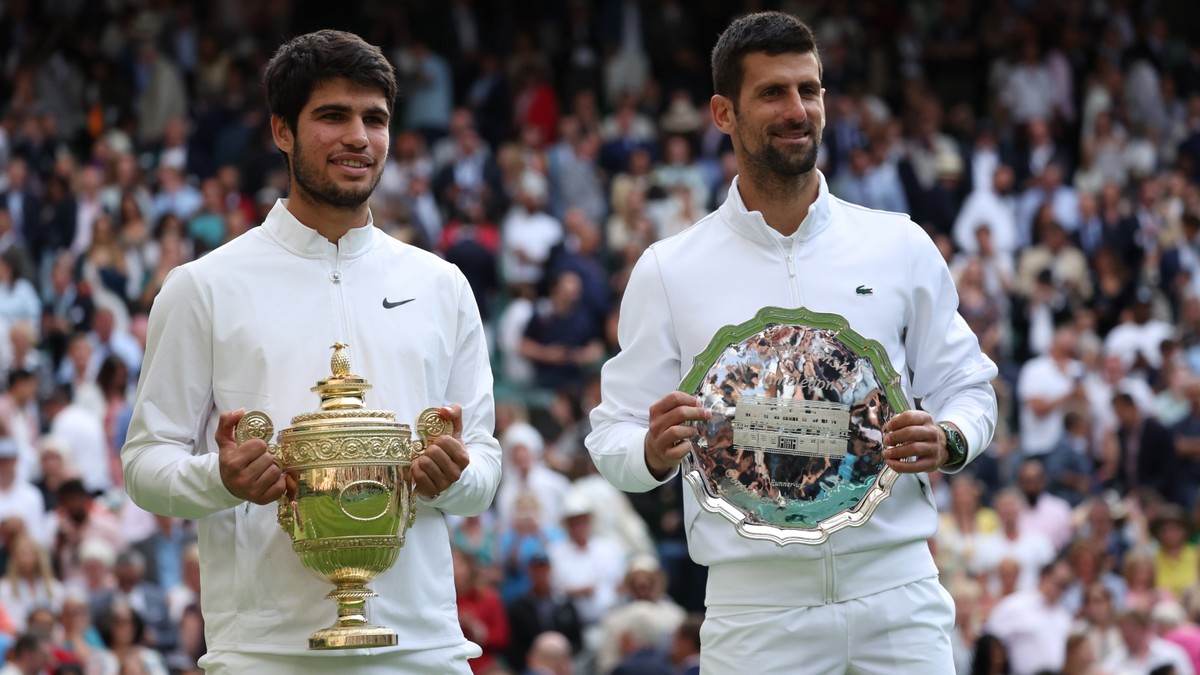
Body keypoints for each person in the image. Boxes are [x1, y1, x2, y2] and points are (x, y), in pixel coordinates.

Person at [586, 12, 998, 673]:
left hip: (897, 594)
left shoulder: (899, 243)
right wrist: (651, 449)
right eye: (772, 93)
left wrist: (949, 437)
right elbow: (612, 435)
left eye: (810, 90)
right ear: (723, 113)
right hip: (754, 610)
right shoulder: (669, 268)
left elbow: (968, 386)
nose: (797, 109)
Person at [121, 29, 502, 674]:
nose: (359, 137)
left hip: (422, 650)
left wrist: (456, 476)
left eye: (374, 119)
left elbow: (484, 466)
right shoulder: (203, 286)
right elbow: (144, 464)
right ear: (282, 131)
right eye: (333, 116)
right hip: (265, 654)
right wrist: (221, 477)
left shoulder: (441, 285)